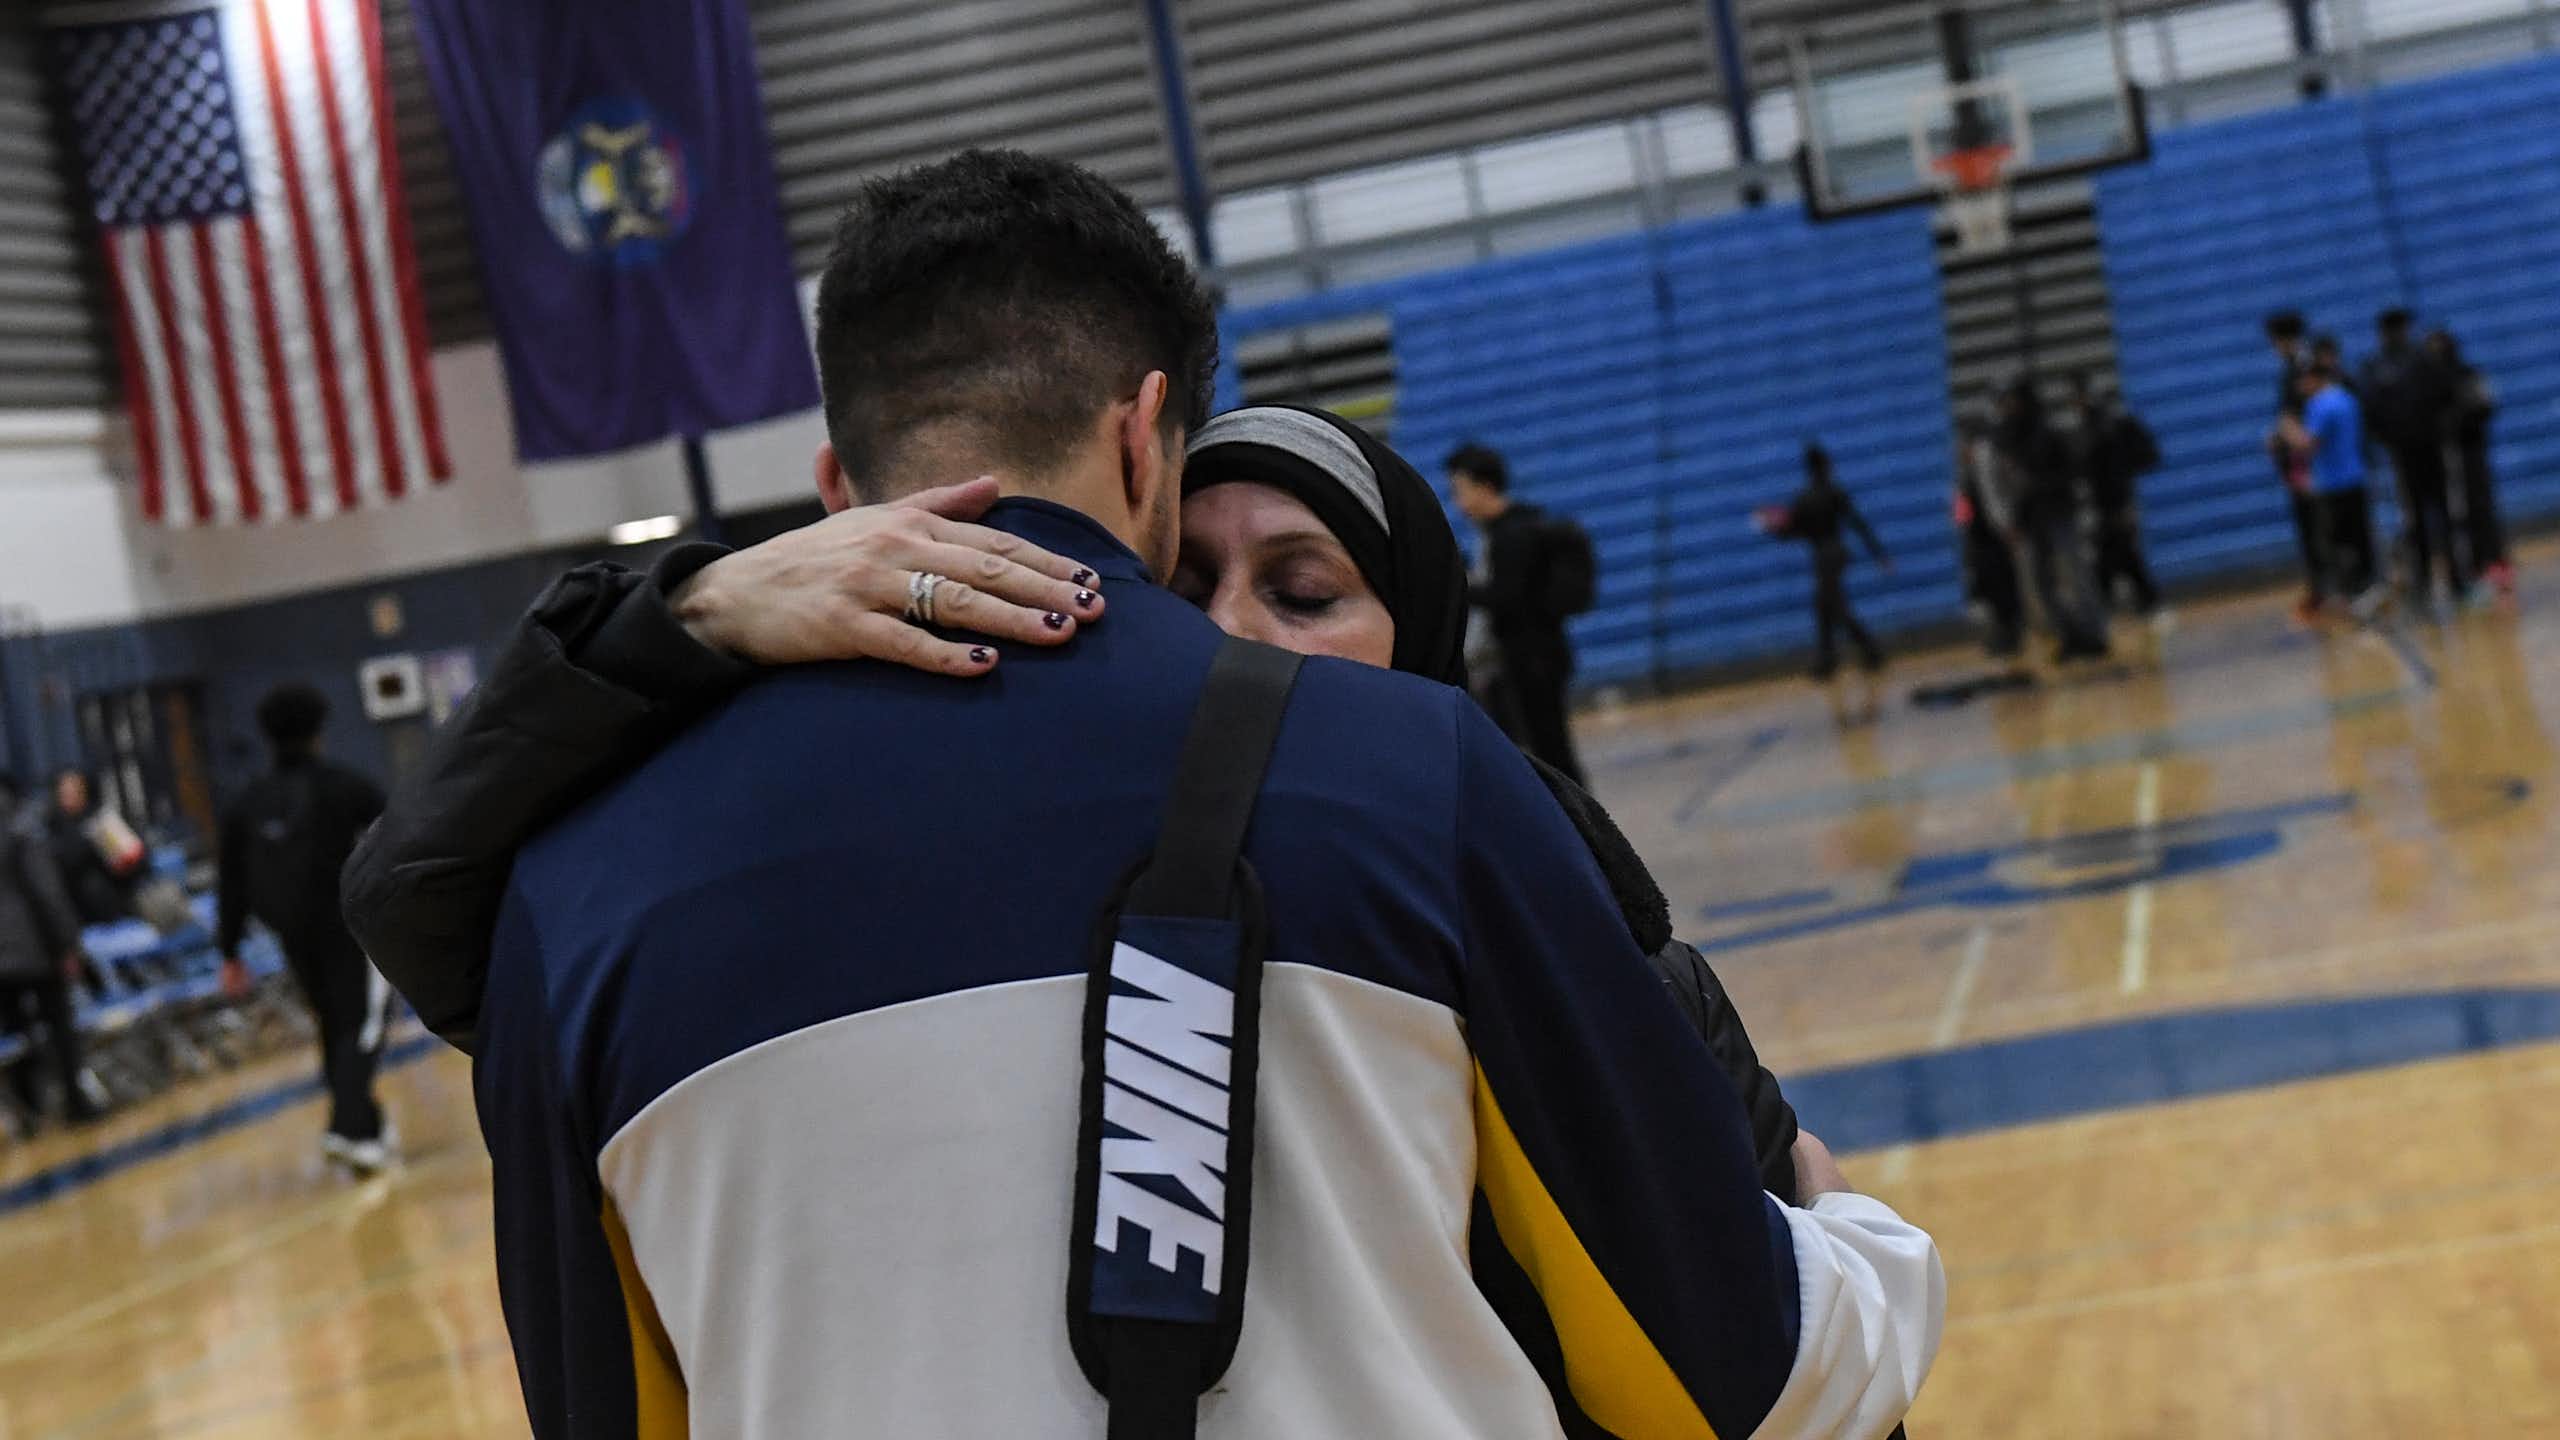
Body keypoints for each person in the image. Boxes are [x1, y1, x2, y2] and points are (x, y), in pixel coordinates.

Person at [369, 150, 1940, 1438]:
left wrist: (672, 618)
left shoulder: (564, 905)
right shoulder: (1413, 773)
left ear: (835, 490)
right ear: (1146, 437)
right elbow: (1727, 1380)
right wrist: (1866, 1245)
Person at [217, 685, 394, 1173]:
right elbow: (402, 836)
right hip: (349, 927)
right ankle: (350, 1127)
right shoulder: (345, 786)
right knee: (362, 1024)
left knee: (332, 1024)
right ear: (320, 729)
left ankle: (363, 1121)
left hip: (290, 933)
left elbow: (229, 882)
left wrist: (229, 953)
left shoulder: (245, 803)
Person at [1447, 442, 1589, 785]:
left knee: (1551, 751)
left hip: (1534, 657)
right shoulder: (1502, 531)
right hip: (1527, 656)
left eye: (1460, 491)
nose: (1458, 503)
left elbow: (1507, 597)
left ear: (1484, 487)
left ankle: (1579, 830)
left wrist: (1458, 587)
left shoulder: (1513, 535)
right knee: (1539, 749)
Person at [1, 774, 99, 1128]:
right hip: (34, 948)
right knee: (58, 1025)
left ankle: (30, 1113)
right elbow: (48, 895)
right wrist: (68, 945)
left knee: (15, 1034)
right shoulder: (21, 831)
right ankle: (76, 1101)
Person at [1992, 377, 2110, 662]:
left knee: (2076, 573)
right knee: (2041, 582)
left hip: (2058, 512)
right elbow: (2012, 485)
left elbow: (2071, 474)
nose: (2007, 406)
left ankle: (2093, 632)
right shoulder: (2008, 437)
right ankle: (2067, 634)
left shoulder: (2048, 433)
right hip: (2032, 518)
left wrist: (2037, 484)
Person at [2359, 308, 2464, 615]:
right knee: (2416, 517)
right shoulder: (2378, 366)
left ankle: (2454, 578)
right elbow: (2371, 411)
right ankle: (2424, 582)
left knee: (2440, 513)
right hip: (2404, 453)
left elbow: (2449, 397)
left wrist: (2441, 432)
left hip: (2429, 448)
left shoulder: (2421, 361)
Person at [1762, 442, 1891, 680]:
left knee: (1833, 607)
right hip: (1838, 552)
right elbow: (1857, 523)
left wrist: (1771, 527)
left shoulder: (1804, 498)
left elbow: (1792, 531)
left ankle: (1865, 652)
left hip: (1822, 556)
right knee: (1825, 607)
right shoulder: (1834, 492)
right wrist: (1879, 554)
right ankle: (1834, 659)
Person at [2284, 351, 2384, 618]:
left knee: (2339, 541)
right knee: (2360, 536)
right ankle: (2370, 586)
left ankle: (2354, 590)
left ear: (2314, 378)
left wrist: (2288, 429)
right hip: (2355, 476)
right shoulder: (2347, 399)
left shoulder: (2321, 405)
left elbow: (2308, 443)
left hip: (2334, 483)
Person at [2068, 373, 2165, 625]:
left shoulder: (2108, 428)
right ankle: (2138, 604)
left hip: (2114, 503)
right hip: (2104, 505)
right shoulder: (2098, 427)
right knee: (2115, 557)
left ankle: (2142, 604)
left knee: (2120, 556)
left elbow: (2131, 461)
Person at [2429, 327, 2510, 601]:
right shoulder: (2432, 386)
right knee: (2458, 513)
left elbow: (2486, 405)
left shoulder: (2469, 375)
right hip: (2448, 456)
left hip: (2473, 453)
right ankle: (2472, 569)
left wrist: (2463, 416)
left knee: (2482, 508)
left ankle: (2495, 562)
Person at [2265, 310, 2324, 620]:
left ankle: (2328, 589)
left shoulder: (2305, 367)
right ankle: (2320, 587)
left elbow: (2302, 415)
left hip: (2309, 460)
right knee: (2309, 525)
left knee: (2318, 524)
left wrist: (2291, 436)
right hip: (2297, 458)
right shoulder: (2293, 367)